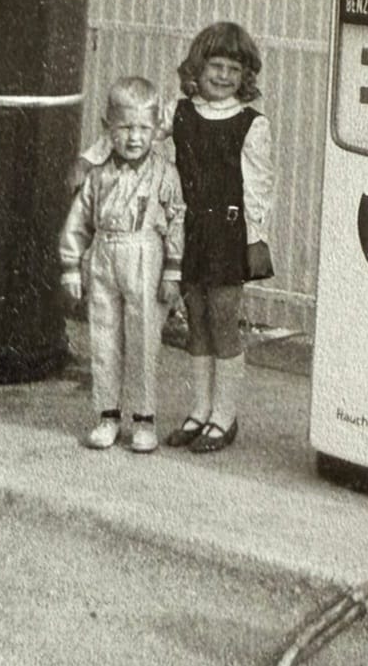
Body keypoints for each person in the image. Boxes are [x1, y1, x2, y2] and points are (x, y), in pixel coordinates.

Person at [75, 22, 276, 454]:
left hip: (227, 233)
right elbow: (137, 126)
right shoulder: (179, 111)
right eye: (215, 66)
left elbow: (258, 188)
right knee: (196, 320)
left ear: (246, 76)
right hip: (189, 231)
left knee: (223, 318)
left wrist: (256, 239)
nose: (223, 76)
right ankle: (200, 410)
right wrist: (90, 159)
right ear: (197, 67)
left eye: (234, 69)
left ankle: (225, 415)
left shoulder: (252, 123)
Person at [60, 77, 185, 453]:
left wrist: (173, 272)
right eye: (125, 127)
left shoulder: (164, 172)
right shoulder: (98, 174)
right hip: (105, 255)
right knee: (104, 336)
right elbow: (78, 221)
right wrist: (71, 265)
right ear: (107, 127)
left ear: (157, 129)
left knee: (143, 341)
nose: (134, 137)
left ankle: (144, 419)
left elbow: (177, 220)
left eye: (143, 128)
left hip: (145, 253)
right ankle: (107, 415)